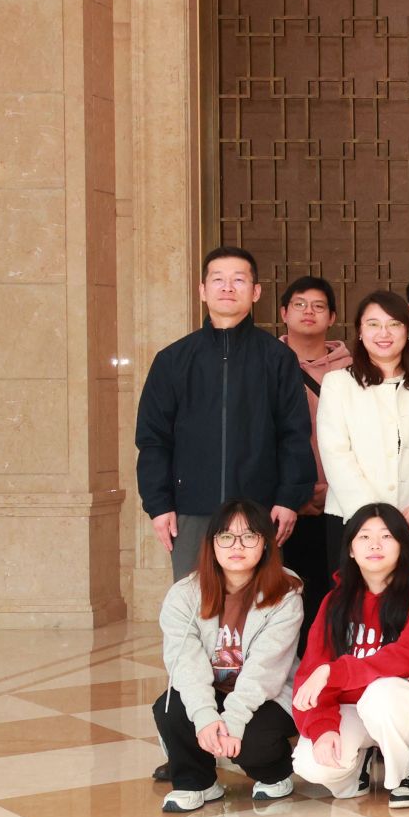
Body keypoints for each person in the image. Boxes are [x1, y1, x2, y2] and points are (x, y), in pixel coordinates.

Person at [135, 245, 313, 581]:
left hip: (260, 510)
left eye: (239, 280)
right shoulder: (173, 360)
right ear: (203, 290)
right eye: (218, 279)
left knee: (259, 602)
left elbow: (294, 434)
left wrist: (289, 498)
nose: (228, 287)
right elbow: (153, 439)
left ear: (256, 291)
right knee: (195, 601)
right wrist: (159, 505)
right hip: (191, 511)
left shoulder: (277, 359)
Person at [152, 498, 305, 812]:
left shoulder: (286, 593)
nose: (237, 545)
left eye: (249, 536)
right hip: (213, 688)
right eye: (226, 536)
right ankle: (197, 783)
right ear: (212, 544)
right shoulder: (184, 595)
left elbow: (265, 670)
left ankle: (275, 774)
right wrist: (206, 718)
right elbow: (185, 663)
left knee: (252, 741)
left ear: (265, 543)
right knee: (171, 708)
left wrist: (232, 721)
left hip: (267, 694)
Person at [290, 505, 409, 807]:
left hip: (407, 708)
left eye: (386, 536)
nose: (375, 545)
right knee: (311, 764)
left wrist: (335, 672)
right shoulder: (335, 601)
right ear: (350, 549)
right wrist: (322, 727)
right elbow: (312, 670)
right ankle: (356, 769)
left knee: (381, 694)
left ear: (402, 545)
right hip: (352, 708)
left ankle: (404, 773)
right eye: (364, 537)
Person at [318, 290, 409, 570]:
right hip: (352, 518)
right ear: (360, 332)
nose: (383, 333)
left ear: (408, 331)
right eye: (373, 324)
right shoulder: (338, 384)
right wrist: (374, 519)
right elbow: (335, 453)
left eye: (394, 324)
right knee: (353, 597)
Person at [277, 275, 352, 624]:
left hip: (343, 501)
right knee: (290, 600)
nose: (309, 312)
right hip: (286, 506)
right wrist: (293, 494)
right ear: (284, 313)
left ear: (332, 317)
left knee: (340, 595)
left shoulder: (354, 369)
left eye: (319, 306)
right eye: (300, 304)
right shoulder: (267, 365)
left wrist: (337, 489)